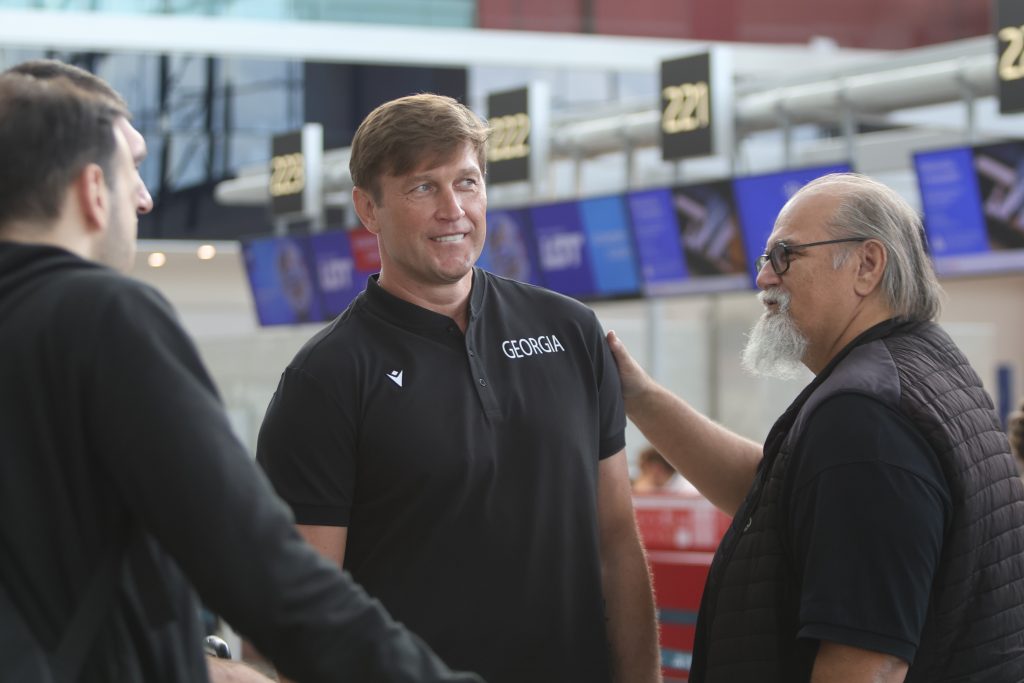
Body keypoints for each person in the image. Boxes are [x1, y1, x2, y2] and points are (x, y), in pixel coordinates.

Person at [0, 62, 482, 683]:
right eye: (133, 170)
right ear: (94, 190)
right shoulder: (100, 316)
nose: (145, 197)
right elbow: (259, 567)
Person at [256, 93, 660, 683]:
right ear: (368, 208)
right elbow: (304, 610)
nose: (454, 210)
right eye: (423, 187)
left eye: (467, 183)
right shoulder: (327, 378)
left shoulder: (570, 331)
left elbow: (617, 545)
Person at [606, 173, 1024, 682]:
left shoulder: (866, 415)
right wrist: (639, 396)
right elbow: (773, 494)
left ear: (867, 265)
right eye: (765, 260)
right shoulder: (925, 369)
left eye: (785, 256)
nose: (764, 279)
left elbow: (868, 666)